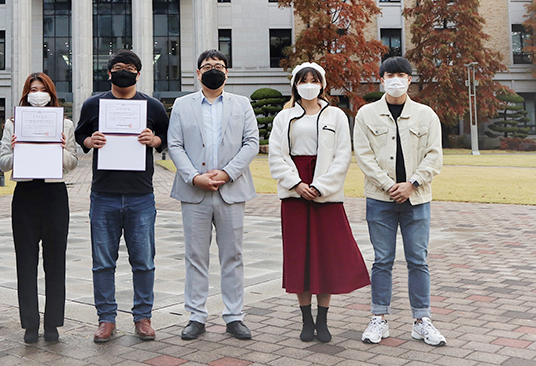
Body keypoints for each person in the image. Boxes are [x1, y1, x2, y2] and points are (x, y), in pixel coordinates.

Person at [268, 62, 369, 343]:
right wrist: (296, 184)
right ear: (295, 85)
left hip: (326, 193)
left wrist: (320, 186)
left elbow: (342, 156)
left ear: (322, 84)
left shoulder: (335, 115)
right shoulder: (284, 117)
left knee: (326, 256)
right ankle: (305, 319)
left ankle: (323, 319)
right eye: (303, 80)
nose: (308, 84)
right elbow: (277, 154)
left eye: (314, 80)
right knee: (299, 256)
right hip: (295, 193)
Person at [74, 49, 170, 343]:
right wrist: (91, 140)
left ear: (139, 74)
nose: (123, 71)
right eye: (118, 67)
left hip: (141, 195)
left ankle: (143, 317)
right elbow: (80, 136)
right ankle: (106, 319)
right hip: (104, 195)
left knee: (144, 261)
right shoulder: (94, 105)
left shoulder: (152, 106)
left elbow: (166, 139)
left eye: (129, 67)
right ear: (109, 73)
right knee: (103, 262)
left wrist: (153, 139)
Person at [167, 50, 259, 341]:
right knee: (196, 256)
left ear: (227, 73)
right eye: (207, 67)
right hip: (194, 191)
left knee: (233, 255)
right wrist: (195, 177)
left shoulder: (242, 104)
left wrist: (227, 173)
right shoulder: (182, 105)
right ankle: (196, 315)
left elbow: (251, 142)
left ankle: (234, 316)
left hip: (231, 189)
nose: (213, 71)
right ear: (198, 74)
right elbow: (175, 145)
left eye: (219, 67)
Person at [354, 56, 445, 347]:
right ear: (381, 79)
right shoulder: (366, 114)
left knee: (418, 260)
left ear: (409, 79)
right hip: (380, 199)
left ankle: (422, 320)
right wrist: (389, 185)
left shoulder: (426, 115)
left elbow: (434, 156)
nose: (395, 80)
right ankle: (379, 318)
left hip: (417, 199)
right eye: (390, 74)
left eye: (401, 75)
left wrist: (412, 183)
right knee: (382, 260)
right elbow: (364, 157)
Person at [0, 73, 78, 344]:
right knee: (26, 261)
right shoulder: (13, 124)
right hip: (25, 195)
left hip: (54, 194)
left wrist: (59, 148)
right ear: (26, 93)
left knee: (55, 262)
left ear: (51, 93)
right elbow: (4, 162)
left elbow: (73, 162)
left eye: (42, 89)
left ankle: (53, 323)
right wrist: (17, 146)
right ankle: (30, 323)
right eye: (33, 89)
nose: (38, 94)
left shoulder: (65, 123)